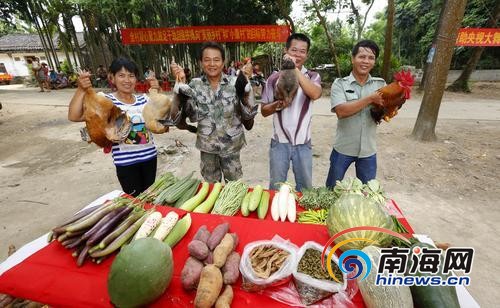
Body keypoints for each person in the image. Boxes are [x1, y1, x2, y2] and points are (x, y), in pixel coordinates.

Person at [68, 57, 158, 196]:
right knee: (135, 201)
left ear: (136, 79)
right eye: (121, 75)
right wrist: (81, 89)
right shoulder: (105, 100)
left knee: (152, 198)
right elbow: (74, 116)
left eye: (131, 76)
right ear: (112, 77)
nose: (127, 80)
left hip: (150, 158)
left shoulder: (144, 99)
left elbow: (162, 116)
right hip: (126, 163)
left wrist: (157, 91)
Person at [170, 41, 258, 183]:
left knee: (233, 189)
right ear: (201, 63)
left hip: (231, 147)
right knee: (210, 189)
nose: (212, 64)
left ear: (223, 62)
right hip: (207, 148)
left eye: (216, 60)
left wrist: (246, 89)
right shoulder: (194, 85)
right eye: (207, 60)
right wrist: (180, 84)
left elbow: (248, 116)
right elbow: (181, 116)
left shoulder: (236, 83)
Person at [261, 33, 322, 192]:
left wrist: (293, 68)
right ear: (286, 50)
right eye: (294, 50)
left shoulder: (312, 76)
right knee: (276, 189)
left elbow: (315, 94)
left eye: (302, 51)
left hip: (303, 143)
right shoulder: (273, 79)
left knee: (305, 190)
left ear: (307, 55)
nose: (298, 54)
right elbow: (264, 111)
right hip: (279, 143)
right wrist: (278, 104)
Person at [325, 39, 385, 188]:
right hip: (343, 148)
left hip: (368, 151)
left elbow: (385, 112)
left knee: (368, 193)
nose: (366, 61)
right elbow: (341, 111)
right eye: (362, 57)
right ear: (353, 59)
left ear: (375, 62)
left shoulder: (381, 84)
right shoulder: (340, 84)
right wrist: (370, 98)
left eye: (371, 58)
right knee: (331, 190)